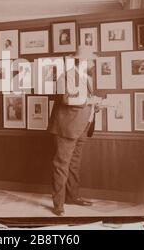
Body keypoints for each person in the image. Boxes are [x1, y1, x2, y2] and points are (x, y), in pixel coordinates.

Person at [48, 45, 102, 216]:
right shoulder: (67, 76)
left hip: (83, 126)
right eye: (92, 60)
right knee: (61, 165)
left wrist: (97, 106)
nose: (94, 64)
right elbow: (67, 99)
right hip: (68, 128)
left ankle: (72, 197)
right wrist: (90, 101)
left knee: (74, 164)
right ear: (84, 61)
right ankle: (58, 204)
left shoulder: (87, 78)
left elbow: (84, 102)